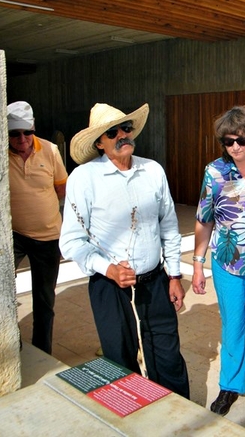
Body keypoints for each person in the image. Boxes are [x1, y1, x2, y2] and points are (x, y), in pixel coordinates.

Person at [59, 102, 190, 398]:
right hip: (109, 287)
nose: (122, 135)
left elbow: (169, 226)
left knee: (167, 356)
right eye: (112, 132)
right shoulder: (84, 178)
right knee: (120, 361)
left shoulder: (152, 170)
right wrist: (109, 269)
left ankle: (180, 420)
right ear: (99, 143)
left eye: (126, 128)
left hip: (155, 281)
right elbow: (71, 241)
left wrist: (174, 275)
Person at [192, 106, 245, 423]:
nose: (235, 147)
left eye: (241, 139)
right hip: (226, 264)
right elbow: (204, 219)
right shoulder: (214, 172)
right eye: (228, 142)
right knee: (232, 327)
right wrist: (198, 263)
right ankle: (230, 385)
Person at [8, 101, 67, 355]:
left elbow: (61, 189)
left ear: (33, 128)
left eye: (26, 132)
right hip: (13, 236)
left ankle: (43, 351)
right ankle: (9, 343)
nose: (22, 139)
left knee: (44, 299)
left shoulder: (51, 151)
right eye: (14, 133)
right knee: (0, 292)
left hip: (48, 237)